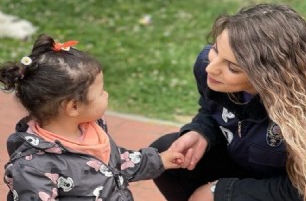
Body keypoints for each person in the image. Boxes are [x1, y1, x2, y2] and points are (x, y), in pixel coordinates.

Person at [150, 3, 306, 201]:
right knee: (168, 154)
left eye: (233, 68)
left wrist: (222, 192)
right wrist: (201, 131)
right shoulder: (209, 68)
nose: (211, 68)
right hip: (252, 163)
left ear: (270, 78)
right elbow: (210, 109)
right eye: (216, 49)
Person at [0, 34, 184, 201]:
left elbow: (116, 162)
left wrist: (159, 161)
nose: (107, 95)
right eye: (100, 92)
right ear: (73, 106)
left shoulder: (91, 129)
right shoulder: (32, 168)